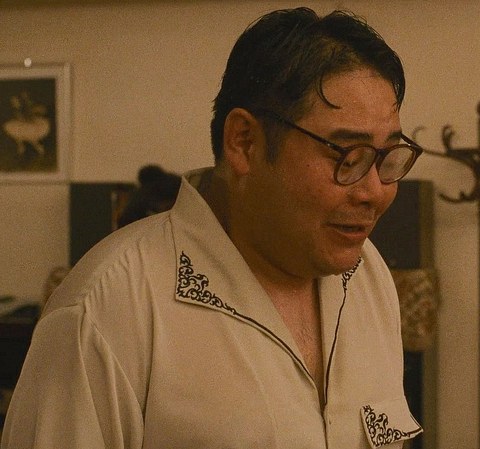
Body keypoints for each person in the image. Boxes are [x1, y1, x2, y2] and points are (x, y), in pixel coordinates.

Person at [0, 7, 424, 448]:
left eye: (388, 156)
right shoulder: (110, 308)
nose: (375, 192)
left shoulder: (367, 276)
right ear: (244, 142)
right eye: (348, 156)